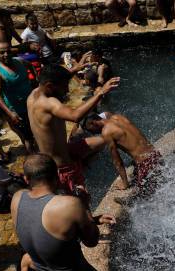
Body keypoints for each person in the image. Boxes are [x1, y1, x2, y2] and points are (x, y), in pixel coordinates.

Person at [27, 65, 118, 204]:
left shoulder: (33, 95)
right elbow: (75, 116)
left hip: (63, 150)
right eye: (64, 86)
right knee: (82, 202)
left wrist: (75, 68)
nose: (67, 90)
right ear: (50, 86)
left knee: (107, 138)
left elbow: (54, 77)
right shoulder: (49, 103)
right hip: (63, 167)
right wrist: (101, 93)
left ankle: (83, 163)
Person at [80, 112, 162, 190]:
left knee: (142, 197)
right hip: (154, 154)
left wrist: (125, 184)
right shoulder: (118, 117)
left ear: (93, 123)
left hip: (145, 163)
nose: (92, 133)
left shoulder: (106, 132)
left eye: (90, 130)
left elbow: (118, 162)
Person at [0, 42, 37, 153]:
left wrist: (36, 80)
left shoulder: (19, 61)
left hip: (31, 103)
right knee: (27, 137)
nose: (6, 54)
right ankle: (34, 158)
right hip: (17, 109)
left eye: (8, 51)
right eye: (1, 53)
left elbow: (30, 65)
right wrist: (10, 113)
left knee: (37, 129)